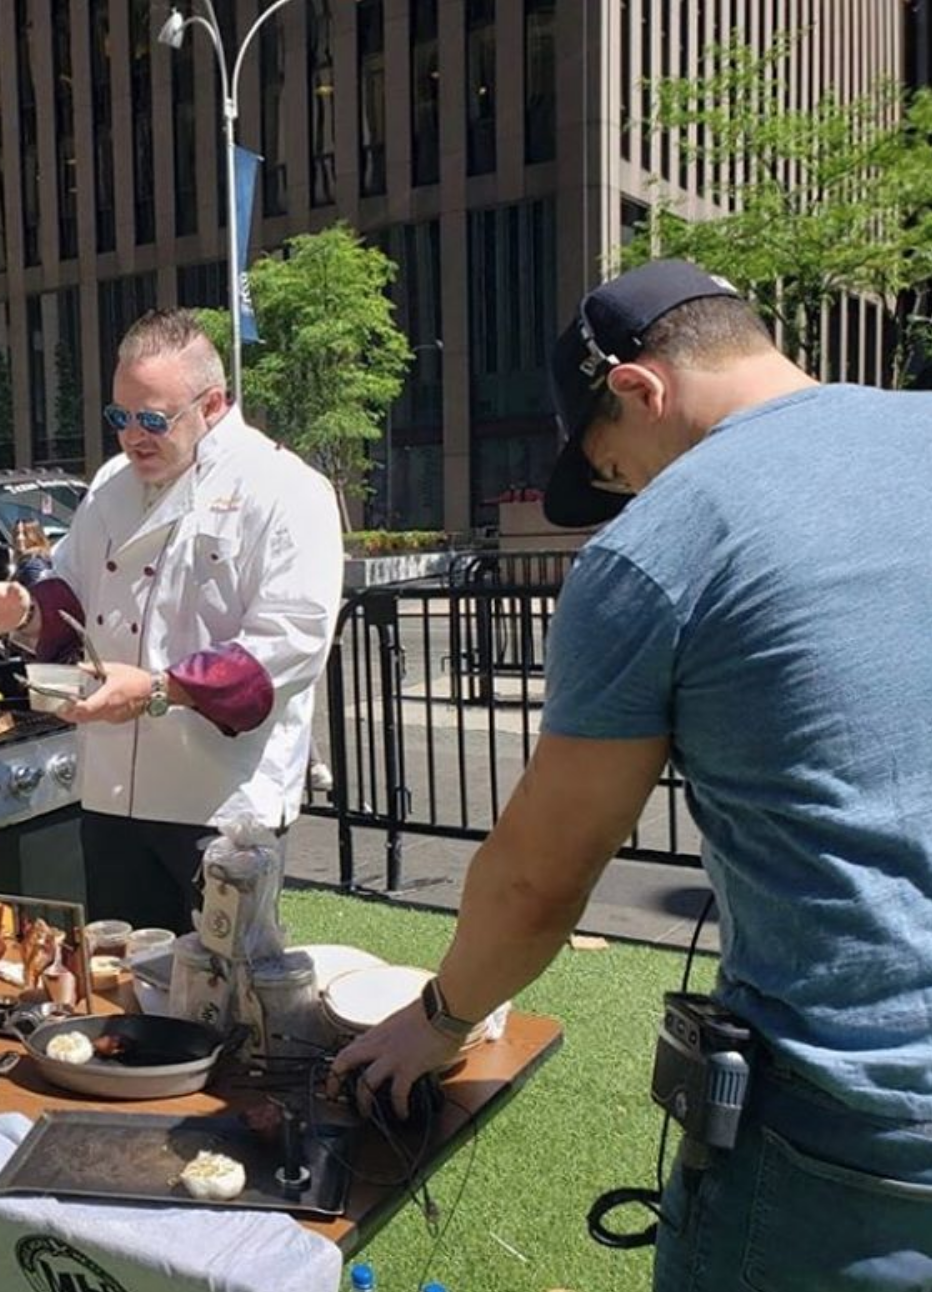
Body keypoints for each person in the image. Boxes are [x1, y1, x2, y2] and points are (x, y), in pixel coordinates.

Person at [330, 261, 932, 1289]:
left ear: (640, 390)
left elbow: (538, 877)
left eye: (615, 471)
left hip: (851, 1126)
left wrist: (438, 1019)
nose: (627, 496)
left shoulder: (665, 543)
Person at [0, 309, 344, 932]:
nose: (133, 437)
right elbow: (73, 591)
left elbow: (290, 644)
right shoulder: (111, 483)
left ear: (212, 404)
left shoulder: (285, 489)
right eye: (120, 418)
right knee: (123, 979)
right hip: (111, 788)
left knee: (223, 992)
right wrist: (23, 611)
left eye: (153, 420)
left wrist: (159, 689)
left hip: (221, 800)